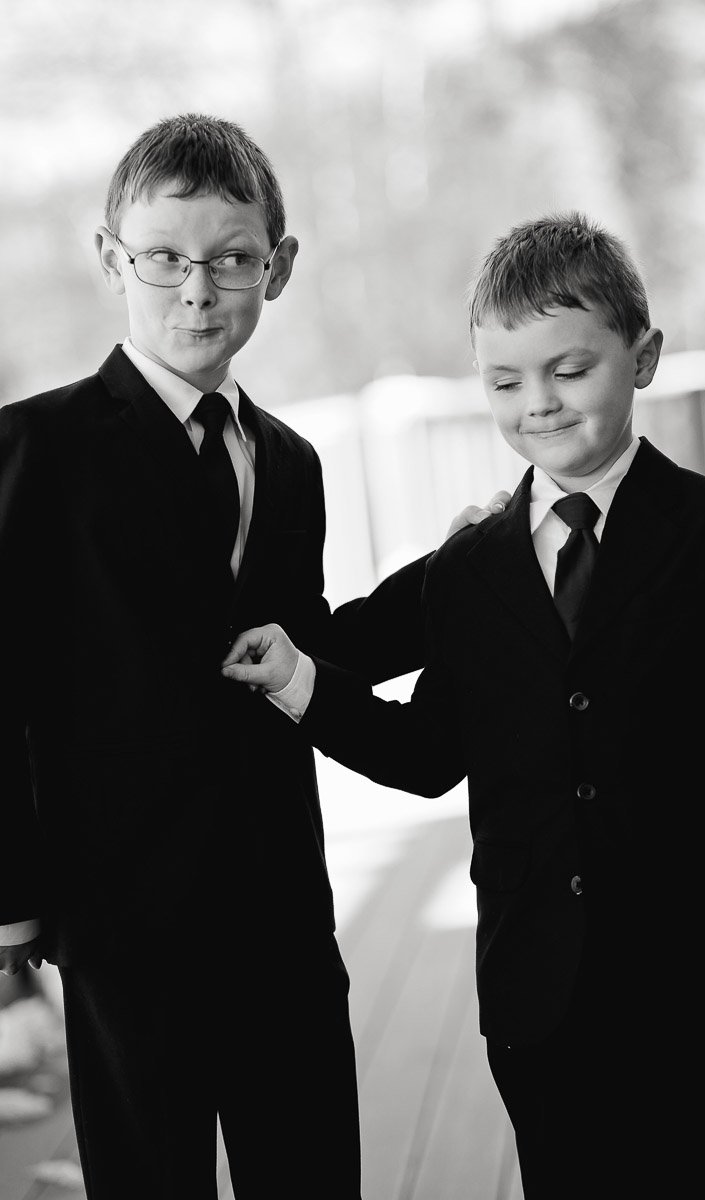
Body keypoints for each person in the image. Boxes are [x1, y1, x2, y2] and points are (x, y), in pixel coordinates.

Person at [221, 211, 705, 1200]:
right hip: (532, 994)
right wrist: (297, 684)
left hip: (683, 975)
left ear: (642, 357)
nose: (538, 402)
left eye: (568, 370)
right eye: (504, 381)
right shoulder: (469, 567)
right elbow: (423, 748)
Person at [0, 112, 508, 1200]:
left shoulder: (290, 462)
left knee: (312, 1172)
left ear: (275, 269)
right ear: (110, 261)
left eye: (232, 259)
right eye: (166, 260)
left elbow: (296, 655)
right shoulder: (33, 452)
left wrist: (453, 574)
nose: (198, 290)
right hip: (125, 926)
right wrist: (13, 898)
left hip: (279, 911)